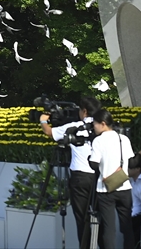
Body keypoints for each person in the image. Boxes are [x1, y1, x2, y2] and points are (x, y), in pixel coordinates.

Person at [39, 97, 99, 249]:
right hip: (100, 177)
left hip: (80, 178)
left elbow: (49, 132)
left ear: (84, 111)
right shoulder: (103, 127)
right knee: (100, 217)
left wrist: (43, 120)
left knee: (83, 219)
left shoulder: (75, 126)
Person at [90, 109, 135, 249]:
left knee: (109, 229)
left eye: (95, 124)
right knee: (127, 226)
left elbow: (93, 164)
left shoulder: (98, 141)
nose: (93, 127)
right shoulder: (123, 139)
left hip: (106, 189)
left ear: (103, 124)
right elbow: (131, 161)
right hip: (124, 187)